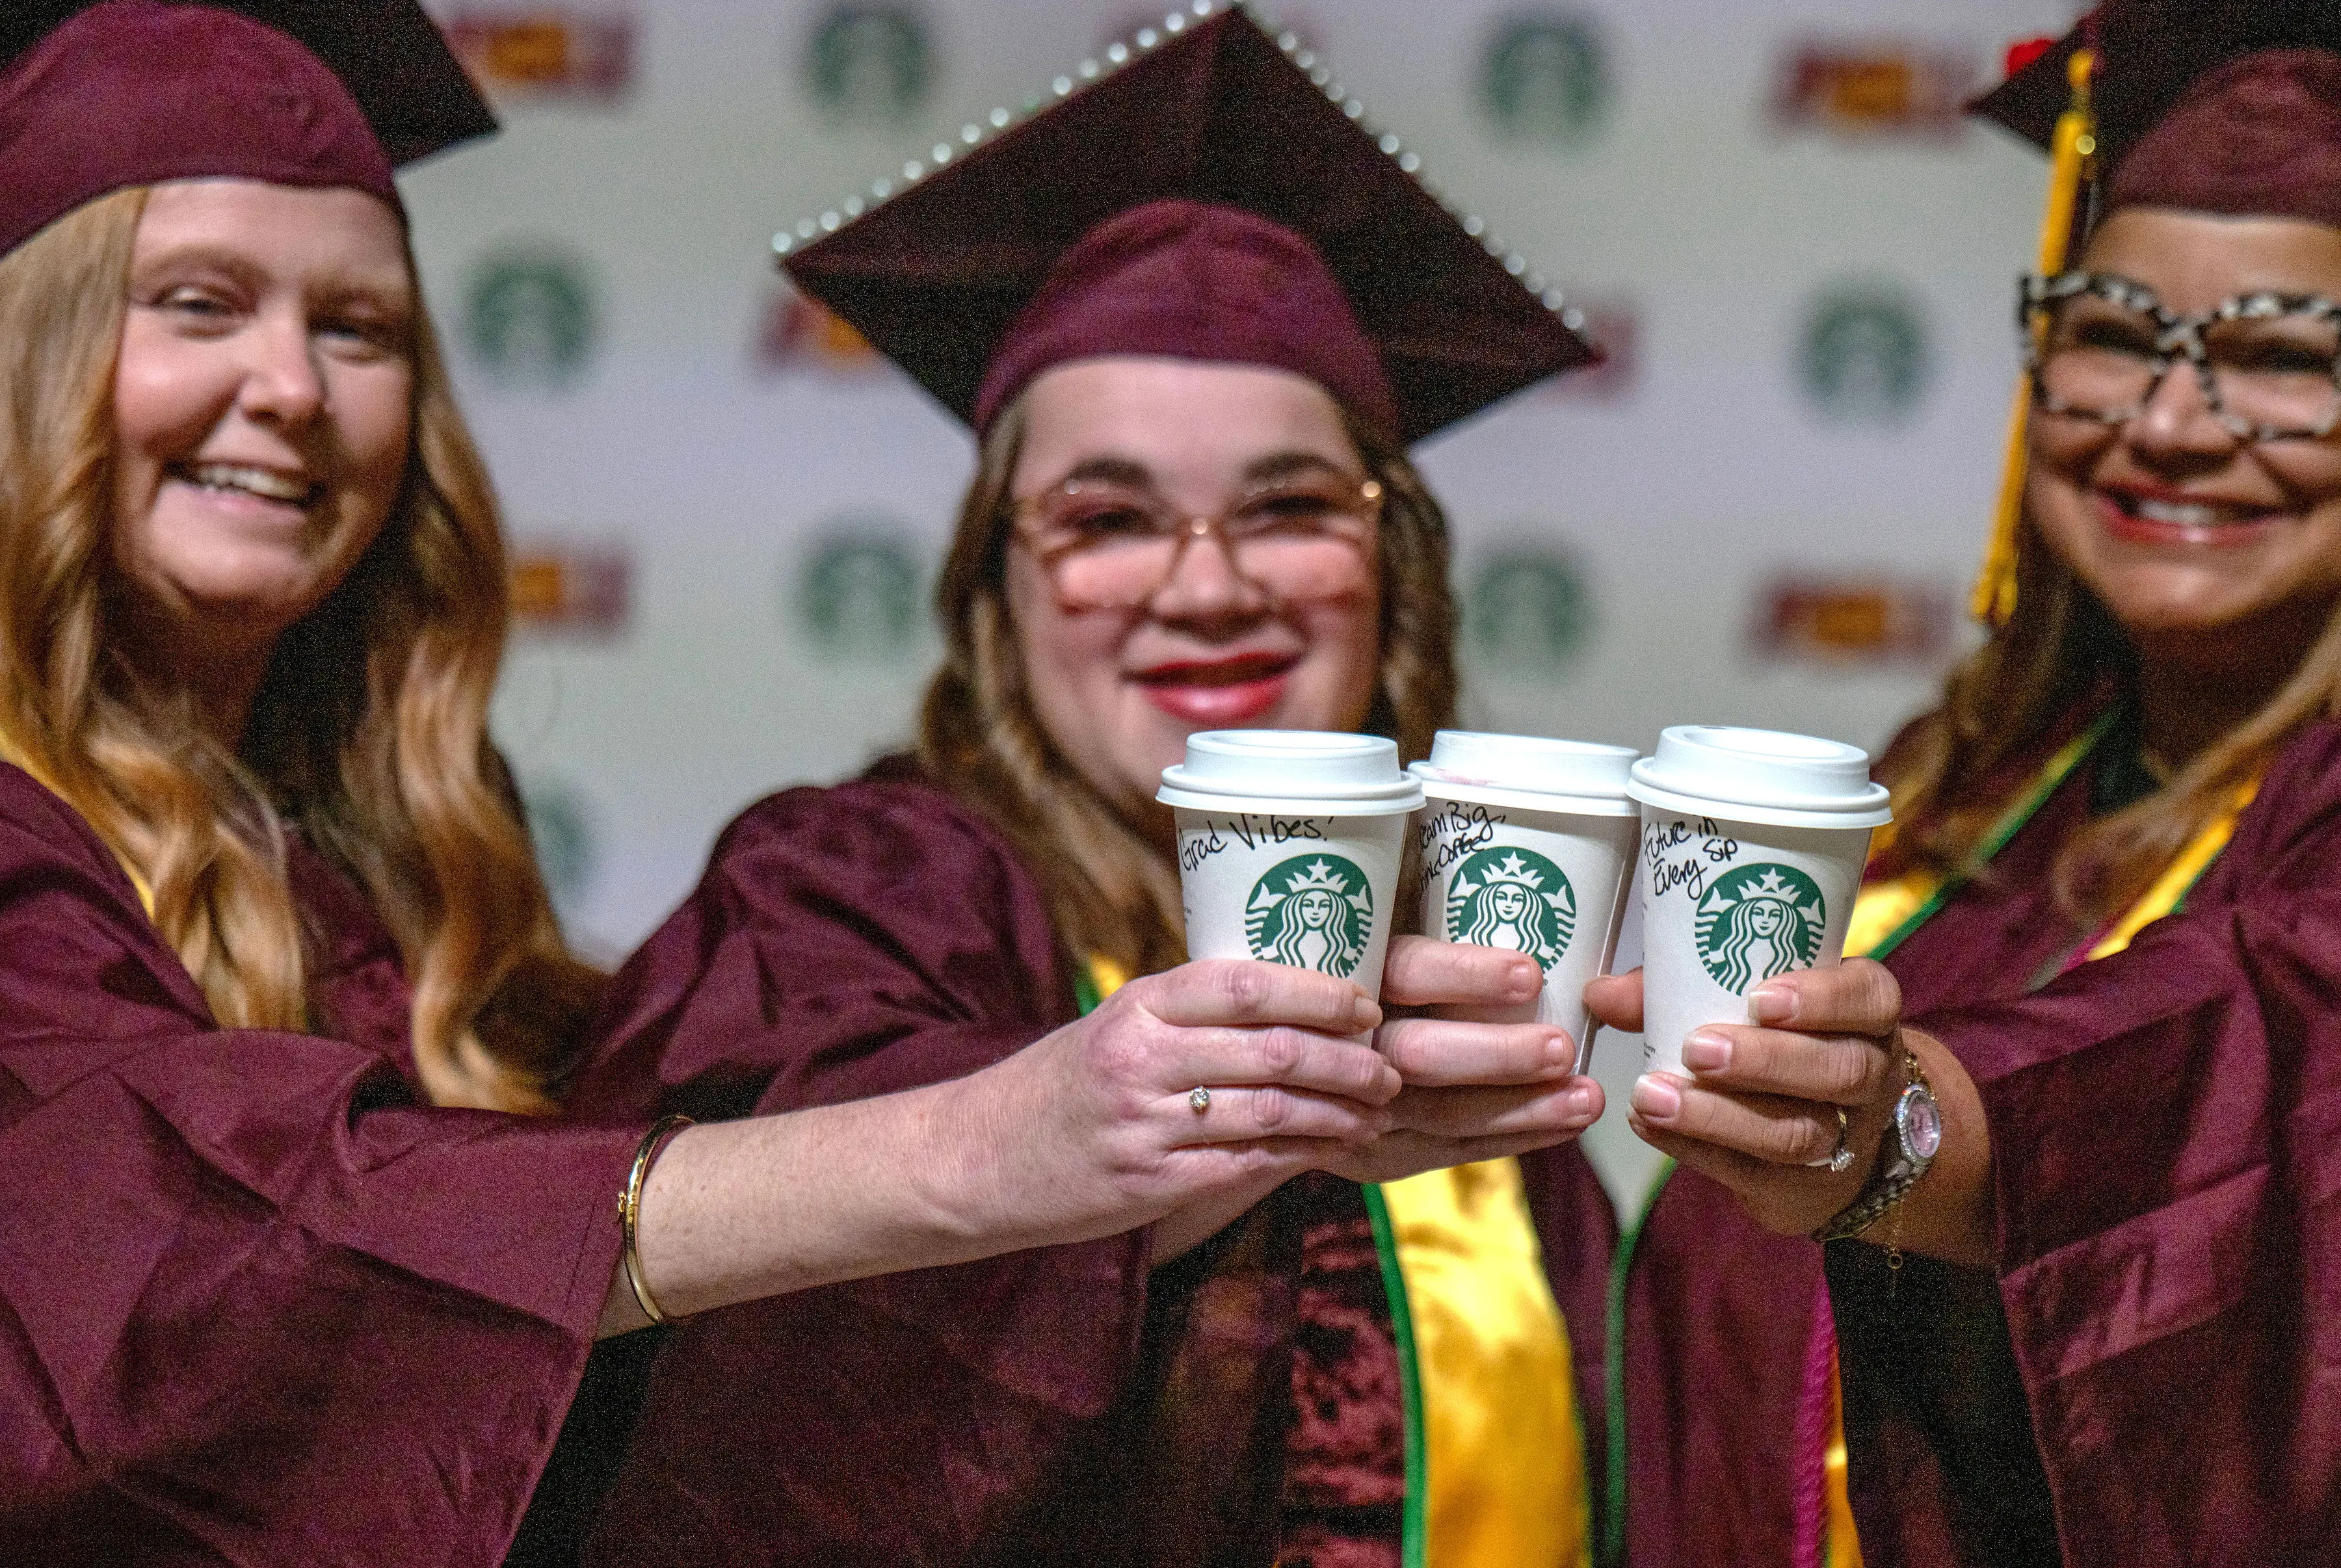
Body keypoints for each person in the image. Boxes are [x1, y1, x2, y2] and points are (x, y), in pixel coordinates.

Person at [0, 5, 1425, 1559]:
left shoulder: (397, 879)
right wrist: (1002, 1142)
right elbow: (175, 1257)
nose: (290, 384)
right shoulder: (863, 892)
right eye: (198, 304)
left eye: (360, 328)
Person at [571, 11, 1622, 1567]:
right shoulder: (846, 897)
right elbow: (747, 1408)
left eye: (1289, 509)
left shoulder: (1470, 962)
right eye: (1107, 518)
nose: (1206, 591)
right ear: (997, 588)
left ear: (1392, 570)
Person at [1596, 3, 2341, 1564]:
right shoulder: (1962, 799)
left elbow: (2278, 1063)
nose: (2165, 424)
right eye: (2116, 334)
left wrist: (1897, 1134)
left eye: (2281, 360)